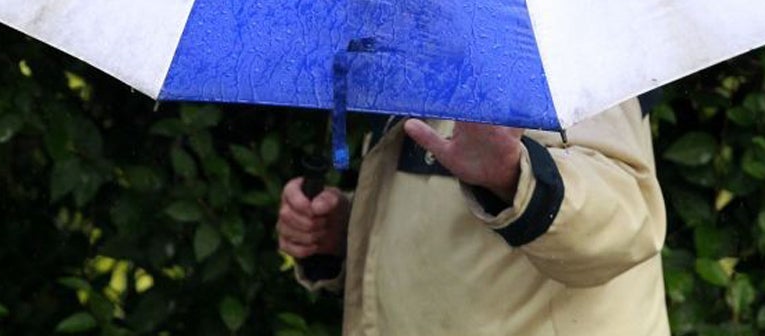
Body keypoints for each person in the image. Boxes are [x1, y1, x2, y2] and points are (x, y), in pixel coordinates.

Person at [277, 96, 670, 334]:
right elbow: (439, 220)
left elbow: (629, 223)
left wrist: (516, 178)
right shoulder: (417, 46)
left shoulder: (562, 39)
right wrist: (347, 233)